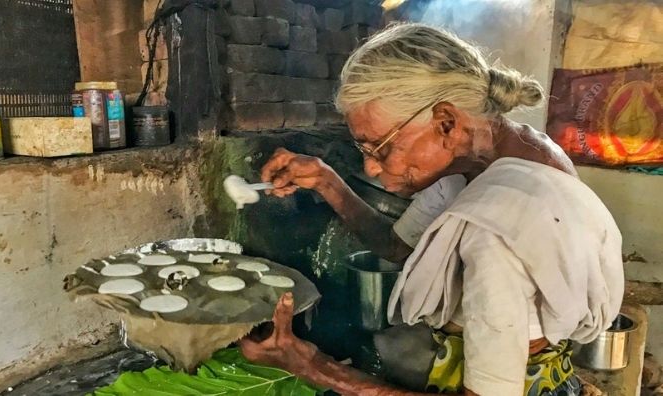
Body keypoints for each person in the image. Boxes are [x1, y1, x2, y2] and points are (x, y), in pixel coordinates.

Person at [240, 23, 624, 396]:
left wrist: (316, 368)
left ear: (446, 122)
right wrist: (326, 181)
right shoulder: (488, 155)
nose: (372, 167)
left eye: (380, 147)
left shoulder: (498, 229)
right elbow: (398, 247)